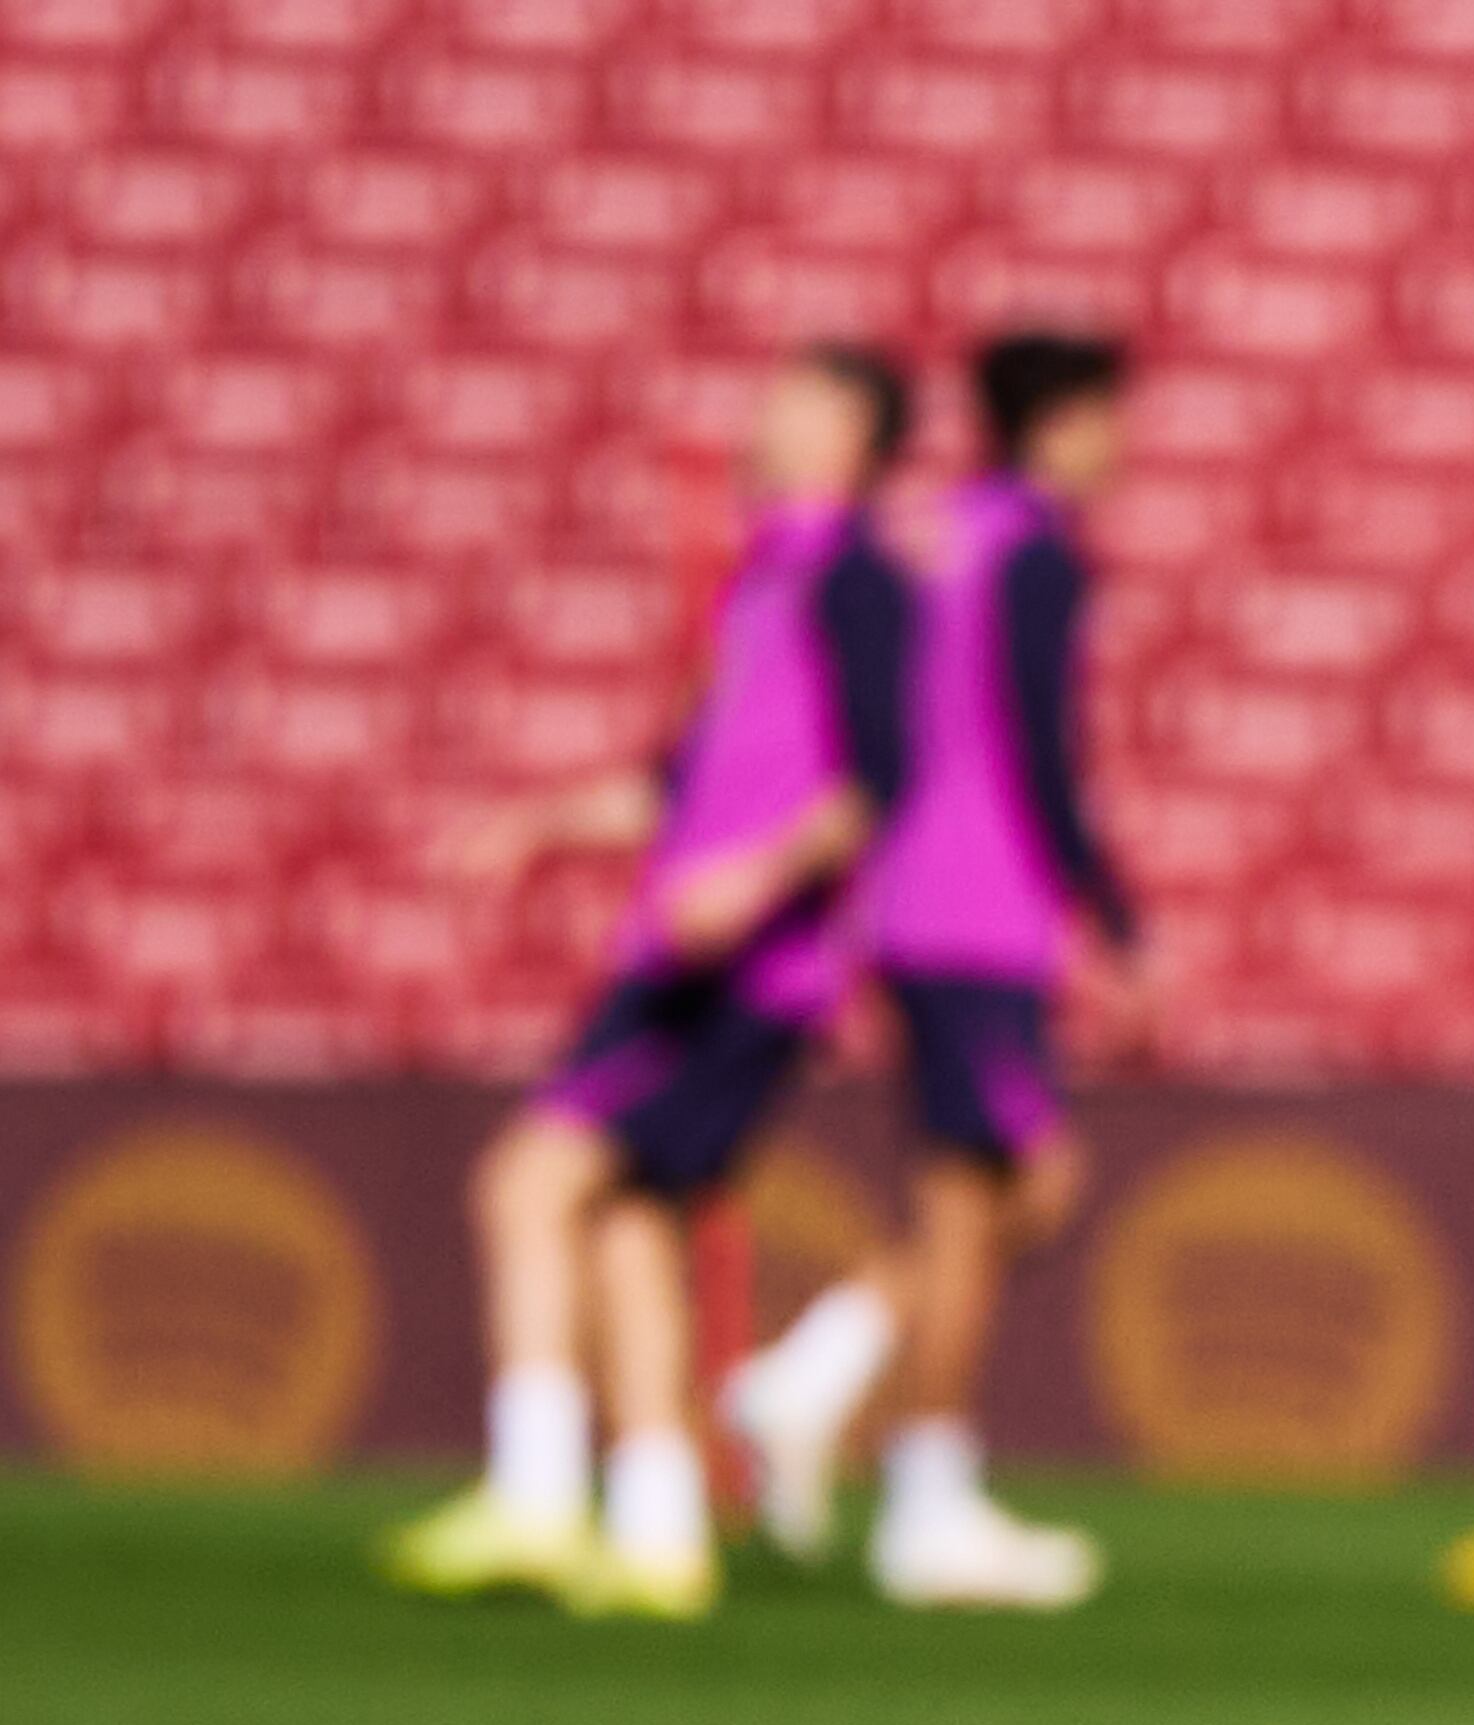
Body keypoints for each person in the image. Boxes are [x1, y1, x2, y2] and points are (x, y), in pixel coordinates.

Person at [379, 343, 914, 1622]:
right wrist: (543, 826)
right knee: (632, 1230)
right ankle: (662, 1526)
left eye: (792, 394)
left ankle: (535, 1493)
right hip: (692, 953)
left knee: (527, 1182)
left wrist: (758, 881)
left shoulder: (853, 574)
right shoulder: (762, 582)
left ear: (848, 425)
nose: (763, 413)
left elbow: (886, 776)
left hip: (742, 969)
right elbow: (682, 791)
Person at [721, 329, 1144, 1611]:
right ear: (1060, 422)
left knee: (970, 1198)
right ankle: (914, 1484)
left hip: (910, 902)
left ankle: (831, 1399)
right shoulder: (1035, 553)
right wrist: (1120, 923)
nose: (1119, 447)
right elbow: (1041, 746)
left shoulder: (934, 535)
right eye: (1106, 419)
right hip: (979, 909)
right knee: (1026, 1186)